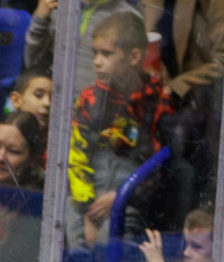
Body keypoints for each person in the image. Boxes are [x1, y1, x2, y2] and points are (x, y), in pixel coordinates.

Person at [65, 10, 168, 220]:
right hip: (88, 195)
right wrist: (87, 207)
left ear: (134, 56)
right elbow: (77, 157)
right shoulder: (89, 99)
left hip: (132, 195)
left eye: (107, 53)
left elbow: (159, 162)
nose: (97, 62)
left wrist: (123, 195)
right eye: (95, 53)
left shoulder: (157, 99)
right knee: (70, 219)